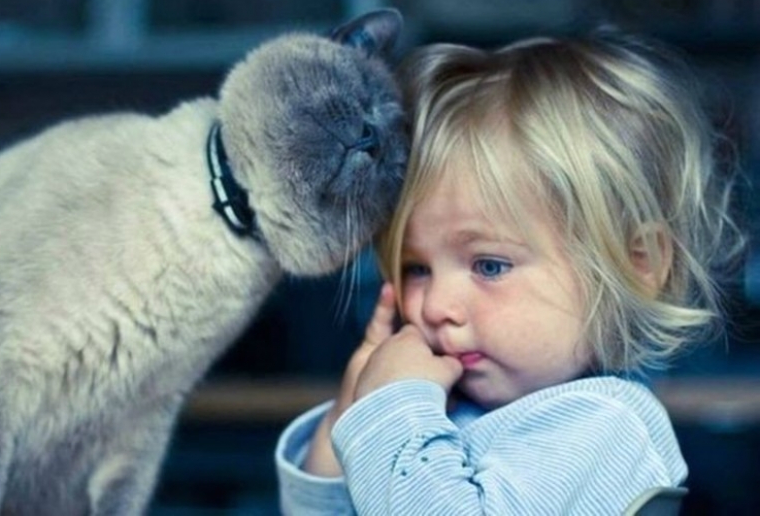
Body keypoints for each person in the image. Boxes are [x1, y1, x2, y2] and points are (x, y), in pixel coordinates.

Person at [275, 29, 744, 514]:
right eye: (417, 268)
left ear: (637, 263)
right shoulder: (441, 413)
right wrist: (351, 413)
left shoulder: (606, 426)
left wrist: (391, 410)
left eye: (489, 265)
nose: (434, 306)